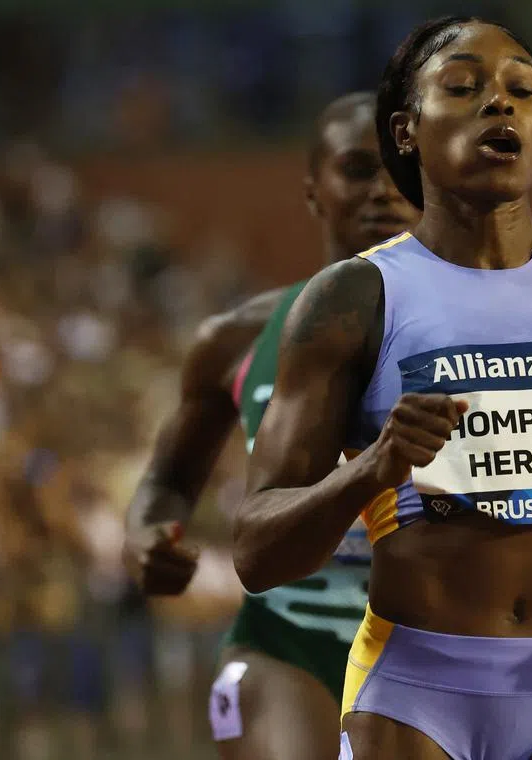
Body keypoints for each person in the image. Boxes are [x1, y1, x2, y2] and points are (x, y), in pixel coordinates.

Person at [234, 17, 532, 760]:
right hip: (417, 692)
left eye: (522, 91)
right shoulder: (351, 302)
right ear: (406, 130)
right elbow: (256, 549)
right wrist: (372, 467)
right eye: (463, 88)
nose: (501, 104)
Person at [122, 91, 418, 760]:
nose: (383, 191)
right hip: (289, 644)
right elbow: (167, 482)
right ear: (314, 189)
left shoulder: (492, 333)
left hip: (440, 644)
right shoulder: (238, 338)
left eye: (403, 169)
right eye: (357, 168)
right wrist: (145, 534)